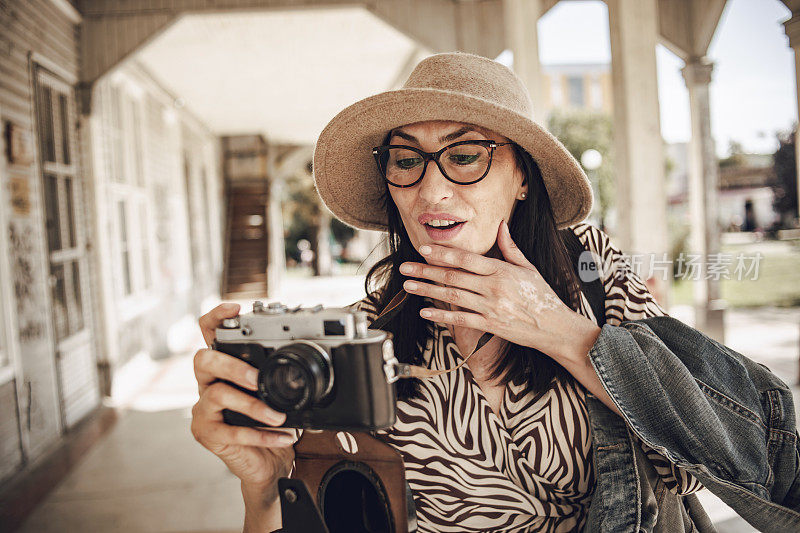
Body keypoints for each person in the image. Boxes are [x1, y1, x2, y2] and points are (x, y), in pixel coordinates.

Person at [191, 52, 800, 532]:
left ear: (522, 179)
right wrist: (264, 487)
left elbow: (723, 463)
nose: (431, 193)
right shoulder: (359, 343)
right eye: (406, 161)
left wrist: (562, 332)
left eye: (464, 156)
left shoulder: (597, 284)